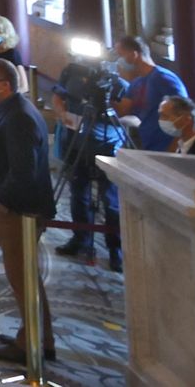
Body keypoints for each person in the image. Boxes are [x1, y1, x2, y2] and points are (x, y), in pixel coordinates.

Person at [0, 58, 55, 365]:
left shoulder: (20, 117)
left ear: (3, 85)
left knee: (22, 278)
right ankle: (38, 337)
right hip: (10, 206)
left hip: (19, 209)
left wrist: (1, 202)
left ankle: (30, 344)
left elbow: (23, 171)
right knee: (24, 276)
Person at [51, 66, 127, 271]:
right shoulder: (71, 71)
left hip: (106, 143)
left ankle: (116, 249)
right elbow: (58, 97)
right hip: (76, 142)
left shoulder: (112, 77)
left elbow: (127, 107)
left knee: (110, 201)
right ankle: (80, 238)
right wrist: (62, 114)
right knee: (78, 193)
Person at [112, 35, 187, 151]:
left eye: (120, 55)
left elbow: (184, 114)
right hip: (148, 145)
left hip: (166, 146)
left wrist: (174, 149)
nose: (118, 61)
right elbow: (124, 109)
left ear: (134, 55)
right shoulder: (136, 83)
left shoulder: (164, 79)